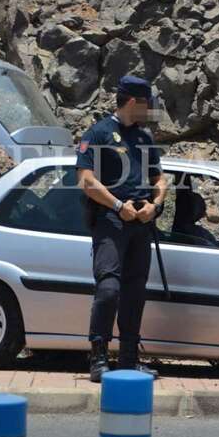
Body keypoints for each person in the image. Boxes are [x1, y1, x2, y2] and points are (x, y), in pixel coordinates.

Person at [76, 75, 167, 383]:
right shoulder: (99, 133)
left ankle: (129, 359)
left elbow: (160, 180)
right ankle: (98, 359)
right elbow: (86, 180)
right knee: (109, 289)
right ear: (132, 102)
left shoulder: (144, 138)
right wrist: (117, 205)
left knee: (134, 292)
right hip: (111, 222)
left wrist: (155, 206)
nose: (150, 110)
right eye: (147, 104)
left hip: (141, 224)